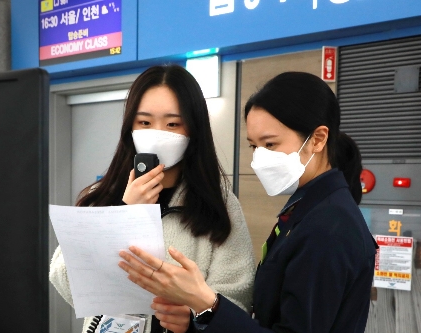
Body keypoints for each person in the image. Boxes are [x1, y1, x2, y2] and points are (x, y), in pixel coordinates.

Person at [118, 71, 378, 333]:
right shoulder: (307, 209)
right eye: (254, 146)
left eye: (270, 144)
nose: (260, 160)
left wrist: (206, 304)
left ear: (318, 139)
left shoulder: (328, 226)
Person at [49, 64, 255, 333]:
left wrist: (196, 317)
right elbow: (64, 280)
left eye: (172, 124)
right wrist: (124, 213)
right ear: (130, 126)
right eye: (144, 122)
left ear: (193, 129)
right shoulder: (101, 195)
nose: (157, 133)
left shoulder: (220, 204)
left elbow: (238, 296)